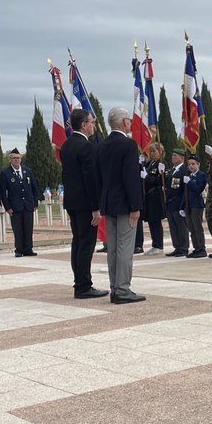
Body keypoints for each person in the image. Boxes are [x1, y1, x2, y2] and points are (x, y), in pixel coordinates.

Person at [97, 108, 145, 304]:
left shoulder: (102, 145)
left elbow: (98, 177)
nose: (131, 122)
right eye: (130, 120)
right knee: (125, 247)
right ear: (124, 122)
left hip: (108, 203)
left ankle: (114, 287)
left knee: (113, 249)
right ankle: (123, 288)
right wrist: (136, 206)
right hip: (125, 203)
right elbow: (130, 178)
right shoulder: (128, 145)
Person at [60, 109, 106, 299]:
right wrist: (96, 206)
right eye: (91, 122)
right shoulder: (86, 146)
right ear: (84, 125)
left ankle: (79, 282)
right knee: (86, 244)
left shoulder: (66, 145)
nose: (93, 125)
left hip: (72, 201)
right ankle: (83, 285)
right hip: (86, 203)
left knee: (78, 242)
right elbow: (90, 179)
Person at [0, 148, 39, 257]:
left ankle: (28, 249)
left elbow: (34, 188)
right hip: (15, 206)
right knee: (18, 228)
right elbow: (3, 192)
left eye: (18, 158)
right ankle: (19, 249)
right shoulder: (5, 173)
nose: (16, 160)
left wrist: (35, 203)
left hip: (28, 204)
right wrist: (7, 207)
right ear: (10, 159)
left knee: (28, 228)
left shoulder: (27, 171)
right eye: (14, 158)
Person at [136, 142, 167, 255]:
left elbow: (158, 180)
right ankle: (155, 244)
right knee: (150, 221)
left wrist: (147, 177)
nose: (153, 153)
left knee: (156, 221)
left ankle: (159, 245)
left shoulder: (161, 164)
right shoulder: (151, 163)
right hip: (149, 196)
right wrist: (140, 163)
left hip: (156, 196)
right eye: (152, 151)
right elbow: (142, 172)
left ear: (161, 152)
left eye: (155, 151)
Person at [164, 148, 189, 257]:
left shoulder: (184, 170)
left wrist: (183, 205)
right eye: (172, 155)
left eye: (176, 156)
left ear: (182, 158)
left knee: (181, 226)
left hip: (178, 202)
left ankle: (184, 248)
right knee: (173, 226)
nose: (173, 157)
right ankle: (177, 246)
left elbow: (184, 189)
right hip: (170, 202)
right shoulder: (172, 170)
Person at [182, 154, 208, 258]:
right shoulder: (189, 176)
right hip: (188, 205)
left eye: (193, 164)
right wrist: (182, 206)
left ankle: (201, 249)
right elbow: (185, 193)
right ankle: (196, 248)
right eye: (189, 164)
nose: (191, 166)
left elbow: (199, 189)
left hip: (197, 205)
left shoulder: (201, 175)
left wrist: (190, 182)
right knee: (191, 229)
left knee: (197, 228)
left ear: (198, 164)